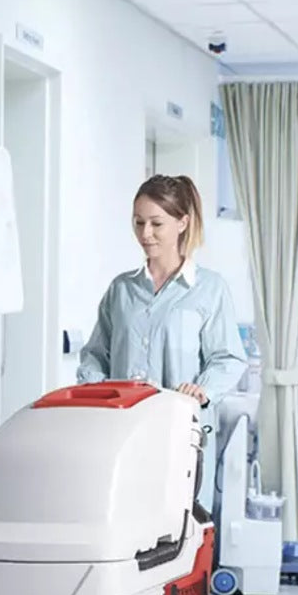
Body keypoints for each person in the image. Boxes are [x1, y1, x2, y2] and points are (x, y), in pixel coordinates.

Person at [78, 174, 247, 507]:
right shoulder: (121, 290)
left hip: (181, 435)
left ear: (182, 223)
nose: (145, 234)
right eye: (138, 222)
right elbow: (95, 354)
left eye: (157, 223)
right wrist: (95, 391)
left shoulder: (209, 289)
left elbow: (228, 358)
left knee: (177, 531)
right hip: (122, 433)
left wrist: (204, 389)